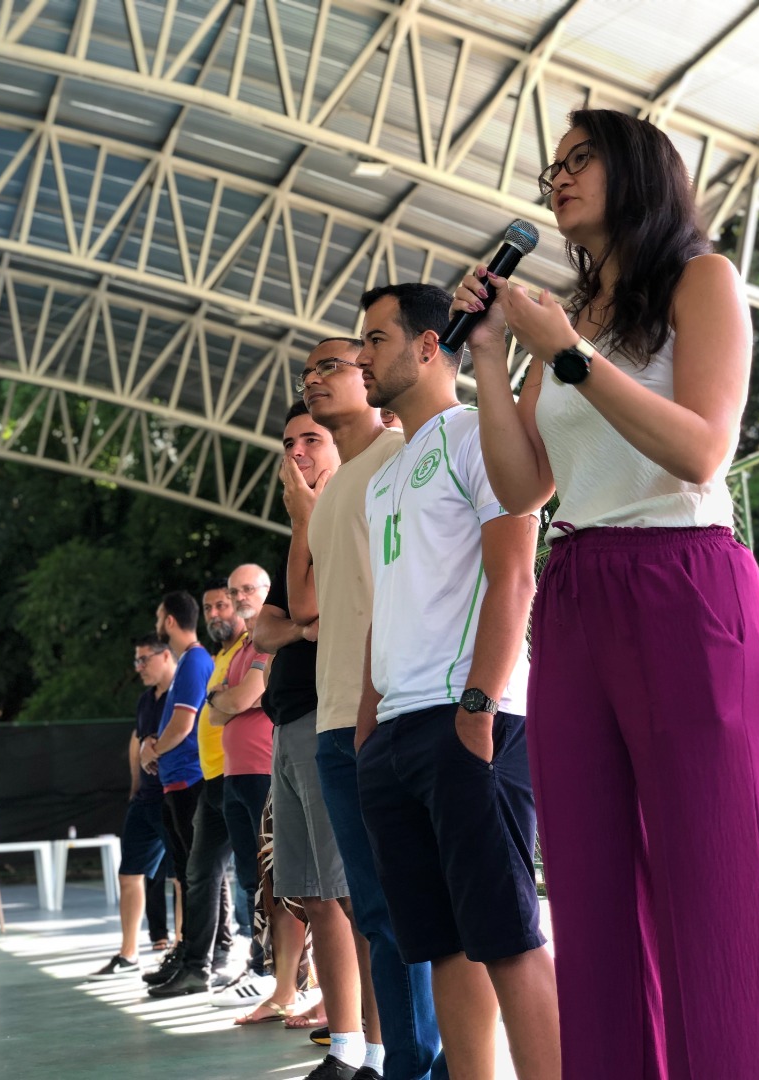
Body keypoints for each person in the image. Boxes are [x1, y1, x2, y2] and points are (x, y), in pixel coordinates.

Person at [451, 108, 759, 1078]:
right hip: (578, 589)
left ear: (637, 170)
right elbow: (524, 486)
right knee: (590, 883)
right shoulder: (577, 315)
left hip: (685, 579)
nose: (557, 178)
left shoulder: (700, 279)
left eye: (580, 159)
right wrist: (491, 358)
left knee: (714, 877)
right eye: (551, 167)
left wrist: (568, 355)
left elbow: (702, 450)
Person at [355, 283, 560, 1080]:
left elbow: (516, 577)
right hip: (395, 735)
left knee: (507, 938)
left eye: (376, 339)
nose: (362, 357)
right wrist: (369, 727)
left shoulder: (478, 435)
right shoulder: (382, 478)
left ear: (427, 345)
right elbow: (386, 606)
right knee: (442, 943)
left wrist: (478, 707)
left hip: (468, 719)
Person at [287, 339, 444, 1080]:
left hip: (395, 710)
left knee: (423, 909)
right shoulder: (338, 488)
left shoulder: (401, 456)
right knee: (376, 913)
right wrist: (302, 518)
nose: (313, 380)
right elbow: (306, 606)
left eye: (331, 367)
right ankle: (404, 1063)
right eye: (307, 373)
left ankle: (440, 1061)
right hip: (333, 719)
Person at [250, 404, 365, 1080]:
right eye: (288, 441)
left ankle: (376, 1045)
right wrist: (298, 628)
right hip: (291, 724)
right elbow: (268, 628)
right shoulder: (302, 530)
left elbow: (312, 607)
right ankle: (346, 1043)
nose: (296, 452)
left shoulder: (349, 514)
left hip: (335, 715)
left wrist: (299, 619)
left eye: (311, 439)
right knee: (315, 893)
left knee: (349, 892)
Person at [147, 581, 245, 997]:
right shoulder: (212, 658)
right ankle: (195, 960)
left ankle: (233, 955)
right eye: (209, 607)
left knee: (234, 876)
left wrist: (154, 749)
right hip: (202, 780)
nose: (216, 613)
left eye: (223, 604)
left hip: (216, 777)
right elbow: (208, 710)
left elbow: (191, 719)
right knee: (198, 873)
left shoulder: (200, 659)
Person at [88, 635, 176, 979]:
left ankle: (184, 949)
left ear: (165, 656)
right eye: (136, 661)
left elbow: (182, 734)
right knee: (129, 874)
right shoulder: (145, 701)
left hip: (174, 794)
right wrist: (135, 787)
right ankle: (128, 953)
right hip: (145, 799)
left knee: (182, 878)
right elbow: (139, 745)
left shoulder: (181, 693)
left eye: (144, 659)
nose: (139, 667)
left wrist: (157, 747)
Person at [140, 591, 214, 990]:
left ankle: (203, 956)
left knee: (200, 873)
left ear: (169, 620)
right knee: (188, 873)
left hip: (190, 779)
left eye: (158, 616)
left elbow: (184, 724)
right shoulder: (188, 662)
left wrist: (153, 749)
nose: (157, 624)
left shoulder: (195, 661)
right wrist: (154, 746)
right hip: (176, 780)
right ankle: (189, 951)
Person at [206, 563, 274, 1000]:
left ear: (266, 590)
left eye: (248, 588)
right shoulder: (242, 648)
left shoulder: (269, 639)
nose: (240, 597)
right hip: (235, 774)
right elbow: (216, 713)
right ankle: (259, 961)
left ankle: (279, 969)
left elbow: (245, 696)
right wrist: (228, 701)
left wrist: (227, 699)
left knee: (272, 877)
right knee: (249, 877)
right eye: (235, 591)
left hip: (264, 770)